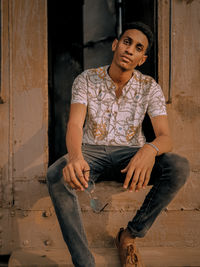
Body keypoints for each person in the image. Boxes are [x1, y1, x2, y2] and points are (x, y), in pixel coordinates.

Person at [47, 22, 190, 267]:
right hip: (92, 152)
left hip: (131, 157)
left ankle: (129, 235)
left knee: (178, 166)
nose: (129, 49)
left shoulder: (149, 87)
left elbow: (166, 137)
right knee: (55, 175)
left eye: (138, 47)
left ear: (142, 59)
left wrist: (149, 149)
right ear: (115, 44)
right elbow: (74, 125)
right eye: (126, 42)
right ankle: (84, 262)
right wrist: (75, 157)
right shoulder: (87, 79)